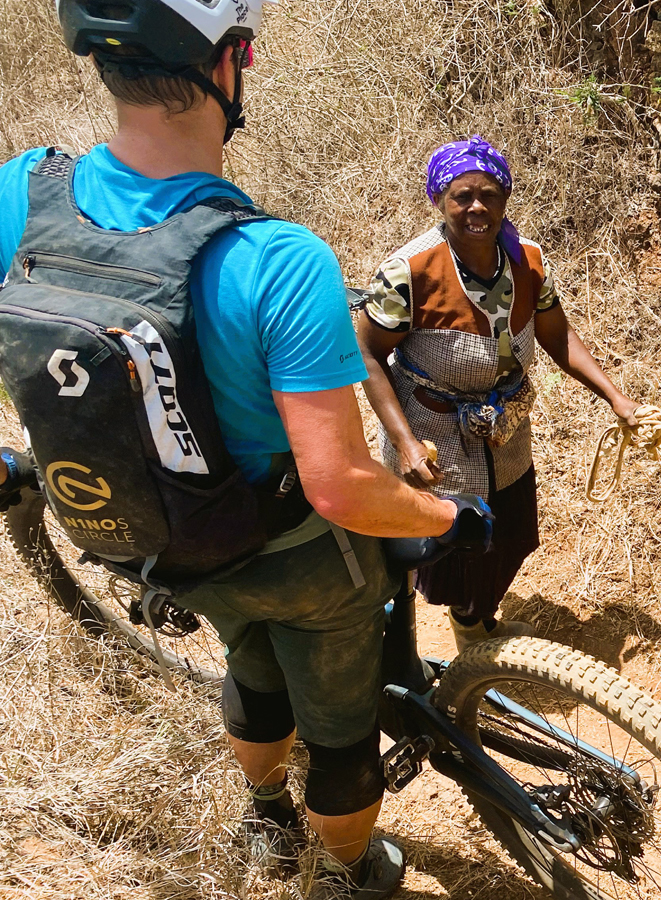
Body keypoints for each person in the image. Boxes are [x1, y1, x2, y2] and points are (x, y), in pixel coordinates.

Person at [0, 3, 489, 897]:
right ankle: (351, 868)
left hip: (154, 542)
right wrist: (448, 514)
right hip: (299, 554)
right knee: (340, 725)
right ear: (225, 64)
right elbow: (338, 486)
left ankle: (267, 817)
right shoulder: (277, 259)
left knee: (250, 659)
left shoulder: (19, 191)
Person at [357, 136, 641, 652]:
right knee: (450, 544)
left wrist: (615, 397)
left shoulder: (528, 261)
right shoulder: (409, 272)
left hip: (505, 427)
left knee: (508, 536)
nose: (477, 208)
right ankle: (454, 635)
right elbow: (369, 355)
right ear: (439, 201)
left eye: (489, 194)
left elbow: (558, 337)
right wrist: (405, 444)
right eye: (462, 196)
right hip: (434, 429)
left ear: (505, 197)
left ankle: (476, 621)